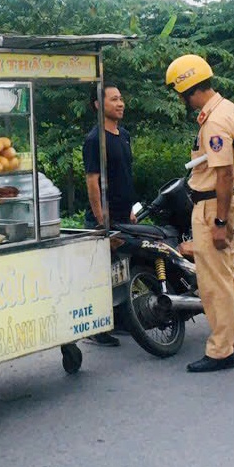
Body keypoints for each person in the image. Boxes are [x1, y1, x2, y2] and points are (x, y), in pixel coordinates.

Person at [165, 54, 234, 373]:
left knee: (214, 283)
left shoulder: (214, 120)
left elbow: (223, 173)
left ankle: (220, 351)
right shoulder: (229, 109)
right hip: (225, 200)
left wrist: (219, 222)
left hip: (215, 204)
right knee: (228, 276)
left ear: (187, 88)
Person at [82, 82, 137, 347]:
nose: (120, 103)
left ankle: (121, 318)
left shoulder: (123, 135)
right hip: (105, 219)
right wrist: (102, 221)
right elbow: (92, 181)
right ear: (98, 105)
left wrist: (130, 210)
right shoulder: (95, 139)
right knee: (103, 273)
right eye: (114, 99)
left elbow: (126, 173)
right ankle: (98, 328)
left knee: (120, 269)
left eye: (121, 98)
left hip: (124, 214)